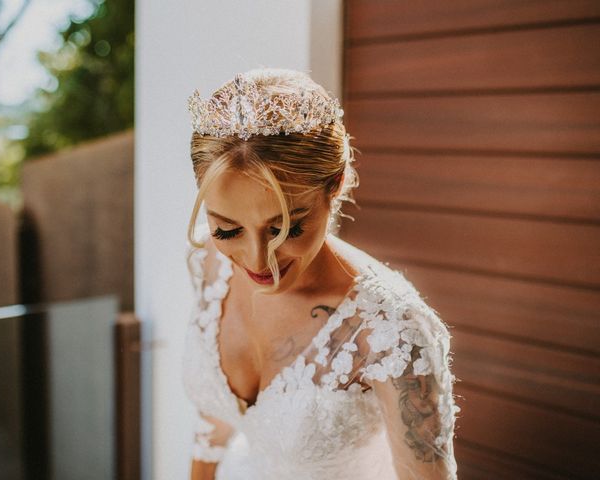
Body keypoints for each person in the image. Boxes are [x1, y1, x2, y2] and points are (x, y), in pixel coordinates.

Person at [182, 68, 459, 479]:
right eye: (228, 229)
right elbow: (216, 410)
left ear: (337, 184)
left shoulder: (391, 330)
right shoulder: (207, 260)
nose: (258, 262)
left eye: (287, 229)